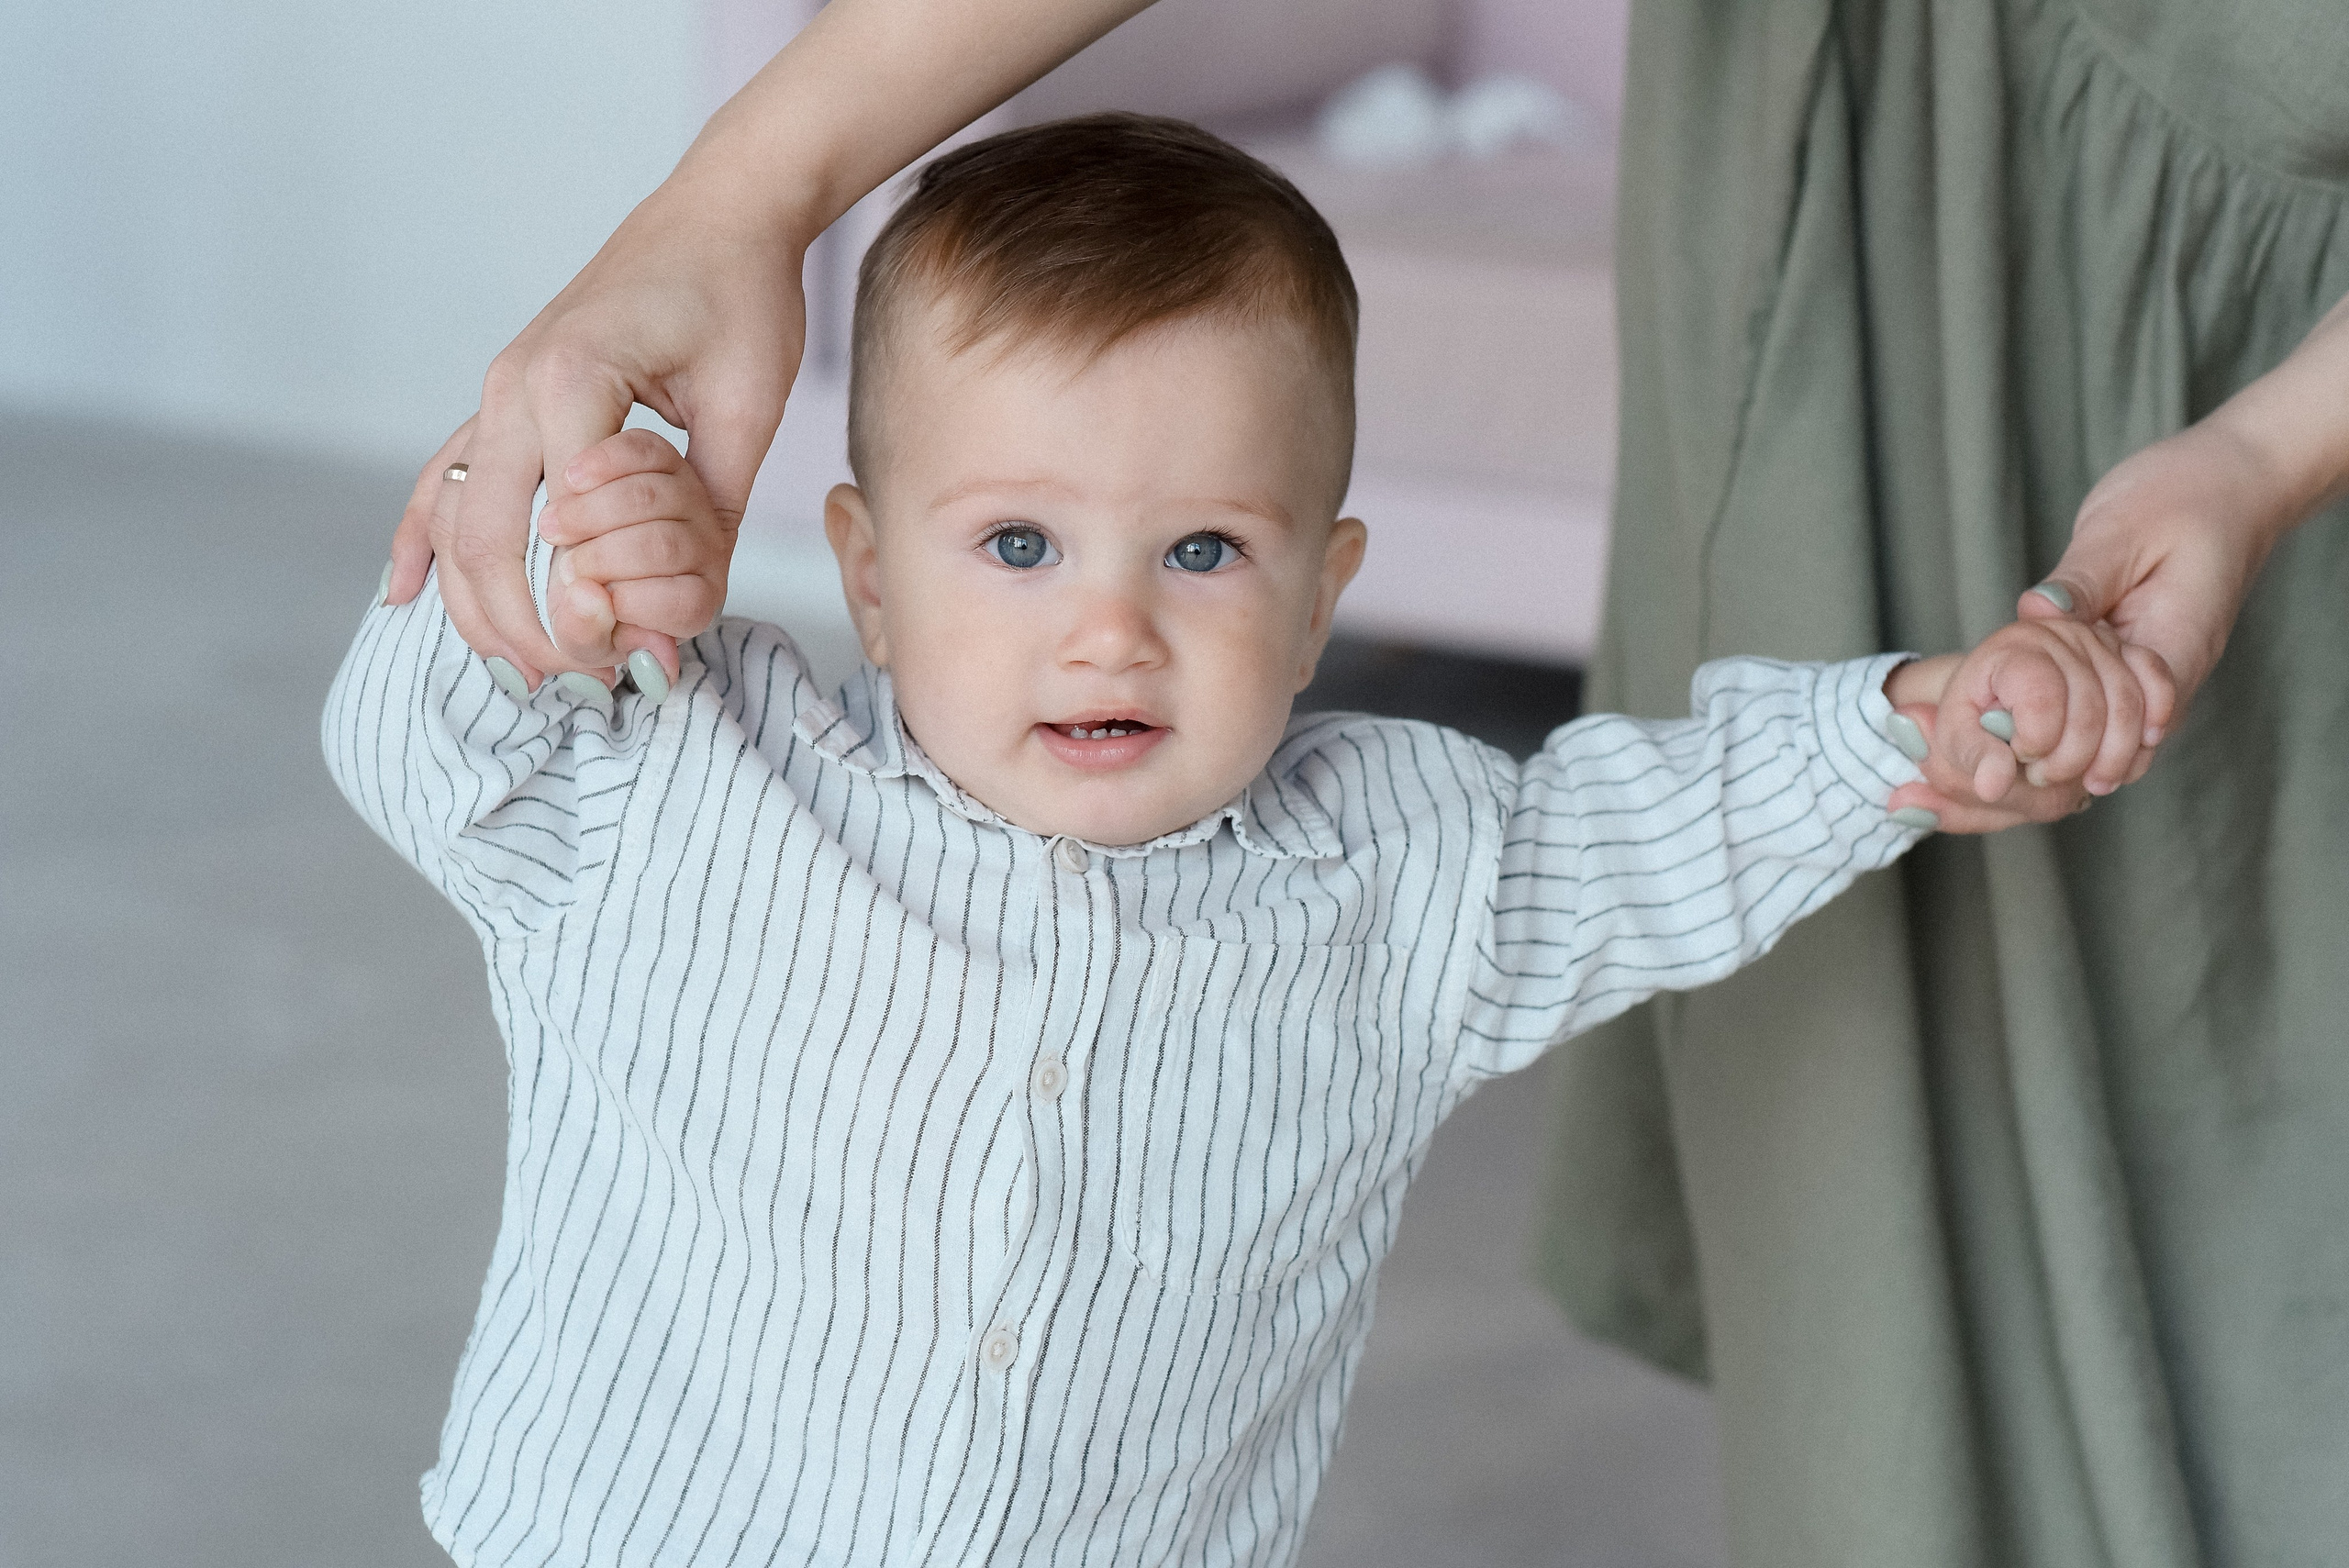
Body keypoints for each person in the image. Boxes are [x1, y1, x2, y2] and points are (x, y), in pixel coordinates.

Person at [381, 4, 2349, 1563]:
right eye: (1013, 548)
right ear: (869, 578)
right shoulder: (695, 769)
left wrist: (1902, 727)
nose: (1109, 632)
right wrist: (547, 569)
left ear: (1324, 597)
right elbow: (424, 752)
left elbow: (1659, 830)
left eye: (1204, 554)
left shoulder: (1408, 870)